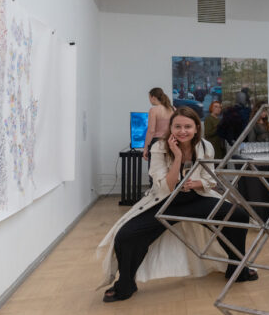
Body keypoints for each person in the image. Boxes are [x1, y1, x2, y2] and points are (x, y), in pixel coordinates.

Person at [98, 107, 256, 302]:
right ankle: (126, 284)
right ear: (170, 128)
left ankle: (237, 268)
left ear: (196, 128)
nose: (183, 131)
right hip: (166, 201)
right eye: (178, 126)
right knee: (126, 235)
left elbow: (210, 180)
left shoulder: (205, 146)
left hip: (197, 198)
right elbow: (166, 186)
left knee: (238, 215)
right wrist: (178, 157)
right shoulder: (159, 147)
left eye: (187, 127)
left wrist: (195, 183)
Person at [143, 87, 175, 161]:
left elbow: (151, 131)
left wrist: (145, 148)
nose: (149, 100)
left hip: (157, 143)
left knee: (155, 167)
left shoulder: (153, 110)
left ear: (153, 97)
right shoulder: (173, 109)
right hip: (171, 142)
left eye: (149, 98)